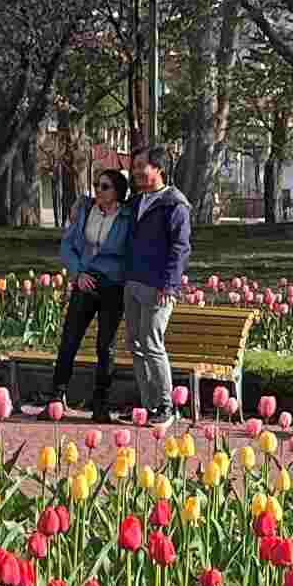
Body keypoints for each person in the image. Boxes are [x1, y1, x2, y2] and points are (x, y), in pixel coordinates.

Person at [116, 147, 194, 424]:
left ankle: (166, 407)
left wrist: (169, 285)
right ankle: (148, 406)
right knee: (135, 344)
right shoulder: (138, 202)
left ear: (158, 168)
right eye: (134, 167)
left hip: (157, 286)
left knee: (151, 343)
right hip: (133, 281)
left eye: (141, 166)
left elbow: (180, 248)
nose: (136, 172)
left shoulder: (175, 204)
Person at [50, 165, 131, 412]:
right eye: (96, 185)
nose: (98, 190)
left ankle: (101, 402)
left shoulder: (128, 217)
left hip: (112, 286)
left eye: (105, 186)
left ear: (117, 192)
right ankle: (56, 395)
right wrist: (77, 274)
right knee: (69, 339)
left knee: (105, 345)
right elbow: (67, 247)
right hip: (85, 281)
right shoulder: (86, 210)